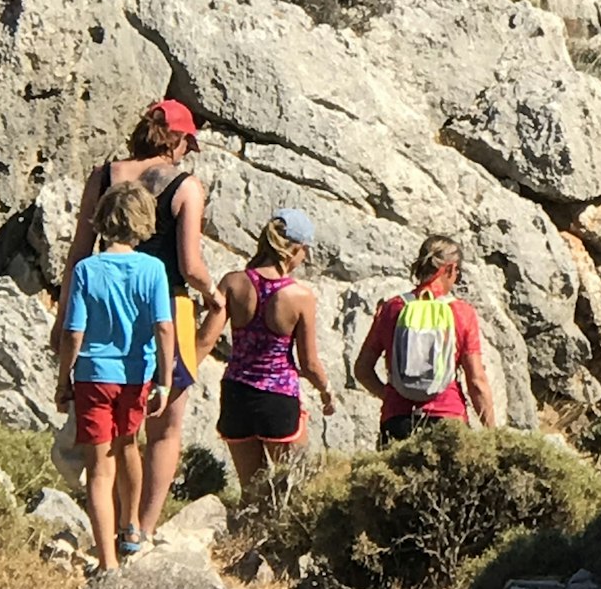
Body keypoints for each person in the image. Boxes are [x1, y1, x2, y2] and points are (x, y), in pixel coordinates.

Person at [58, 100, 224, 540]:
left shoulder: (106, 175)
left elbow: (78, 252)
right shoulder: (186, 186)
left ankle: (112, 523)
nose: (189, 151)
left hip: (105, 302)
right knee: (164, 427)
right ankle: (142, 529)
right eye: (188, 141)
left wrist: (63, 319)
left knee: (110, 428)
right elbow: (189, 265)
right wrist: (213, 293)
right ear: (177, 140)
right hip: (168, 305)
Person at [56, 181, 175, 573]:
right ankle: (132, 530)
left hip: (93, 375)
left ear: (104, 220)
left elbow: (74, 331)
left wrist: (64, 379)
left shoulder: (87, 270)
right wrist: (165, 377)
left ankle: (107, 563)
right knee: (129, 447)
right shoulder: (154, 269)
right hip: (136, 375)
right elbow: (163, 327)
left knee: (100, 468)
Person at [200, 207, 336, 490]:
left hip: (237, 394)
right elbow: (309, 362)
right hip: (277, 399)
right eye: (304, 250)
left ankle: (246, 534)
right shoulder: (300, 297)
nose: (305, 257)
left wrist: (174, 380)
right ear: (294, 249)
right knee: (297, 489)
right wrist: (326, 392)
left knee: (252, 491)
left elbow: (205, 340)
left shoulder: (232, 283)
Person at [354, 235, 497, 446]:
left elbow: (362, 370)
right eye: (457, 271)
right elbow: (476, 380)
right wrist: (492, 434)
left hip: (397, 421)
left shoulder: (392, 309)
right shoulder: (461, 313)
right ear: (449, 269)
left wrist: (391, 395)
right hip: (449, 420)